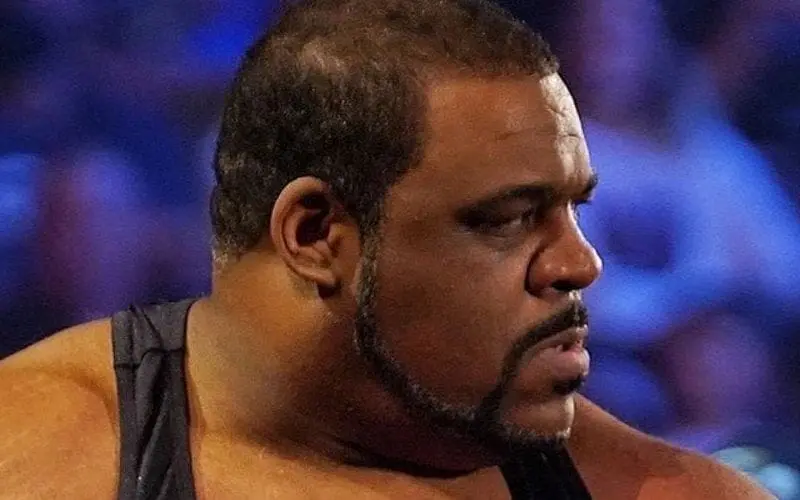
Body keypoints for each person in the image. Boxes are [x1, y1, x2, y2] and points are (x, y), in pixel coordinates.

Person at [0, 0, 773, 498]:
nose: (580, 263)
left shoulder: (641, 482)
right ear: (312, 236)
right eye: (503, 219)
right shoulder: (47, 445)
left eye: (570, 212)